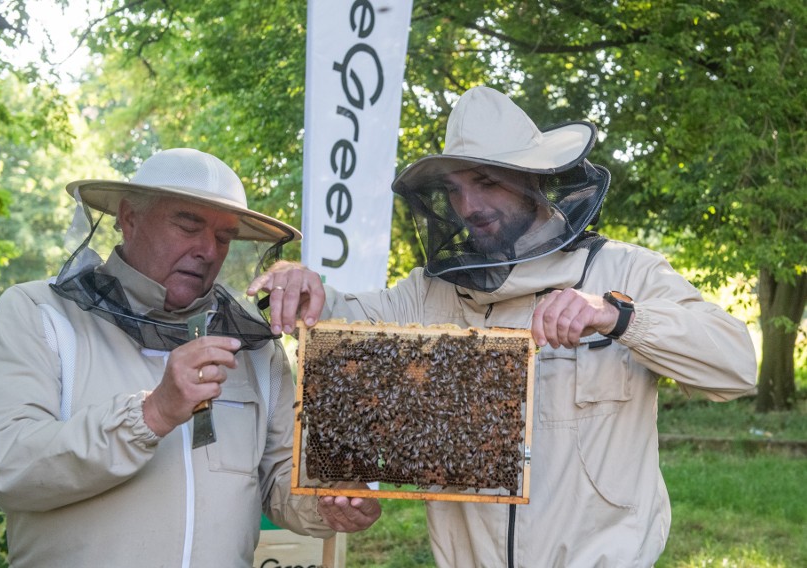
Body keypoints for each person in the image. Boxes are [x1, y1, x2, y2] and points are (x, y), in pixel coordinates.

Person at [248, 86, 758, 567]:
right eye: (454, 189)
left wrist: (619, 316)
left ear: (533, 178)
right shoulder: (430, 294)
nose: (469, 207)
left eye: (486, 182)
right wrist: (301, 286)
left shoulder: (626, 273)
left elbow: (735, 366)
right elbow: (340, 316)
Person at [0, 148, 380, 567]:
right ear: (129, 218)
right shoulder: (38, 314)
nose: (208, 250)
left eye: (224, 237)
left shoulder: (254, 348)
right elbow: (3, 464)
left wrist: (327, 503)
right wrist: (152, 412)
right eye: (188, 225)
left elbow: (279, 479)